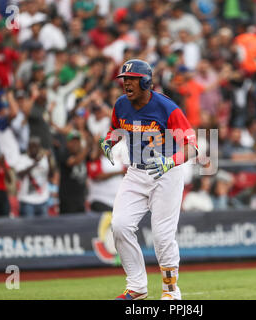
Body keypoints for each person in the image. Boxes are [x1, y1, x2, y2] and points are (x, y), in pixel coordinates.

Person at [99, 59, 198, 300]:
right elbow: (116, 128)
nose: (126, 83)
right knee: (120, 225)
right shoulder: (121, 104)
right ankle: (136, 286)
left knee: (163, 237)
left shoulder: (167, 107)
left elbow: (192, 147)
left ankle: (170, 290)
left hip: (166, 173)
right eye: (124, 79)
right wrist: (109, 141)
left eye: (131, 78)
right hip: (135, 171)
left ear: (145, 81)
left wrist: (170, 161)